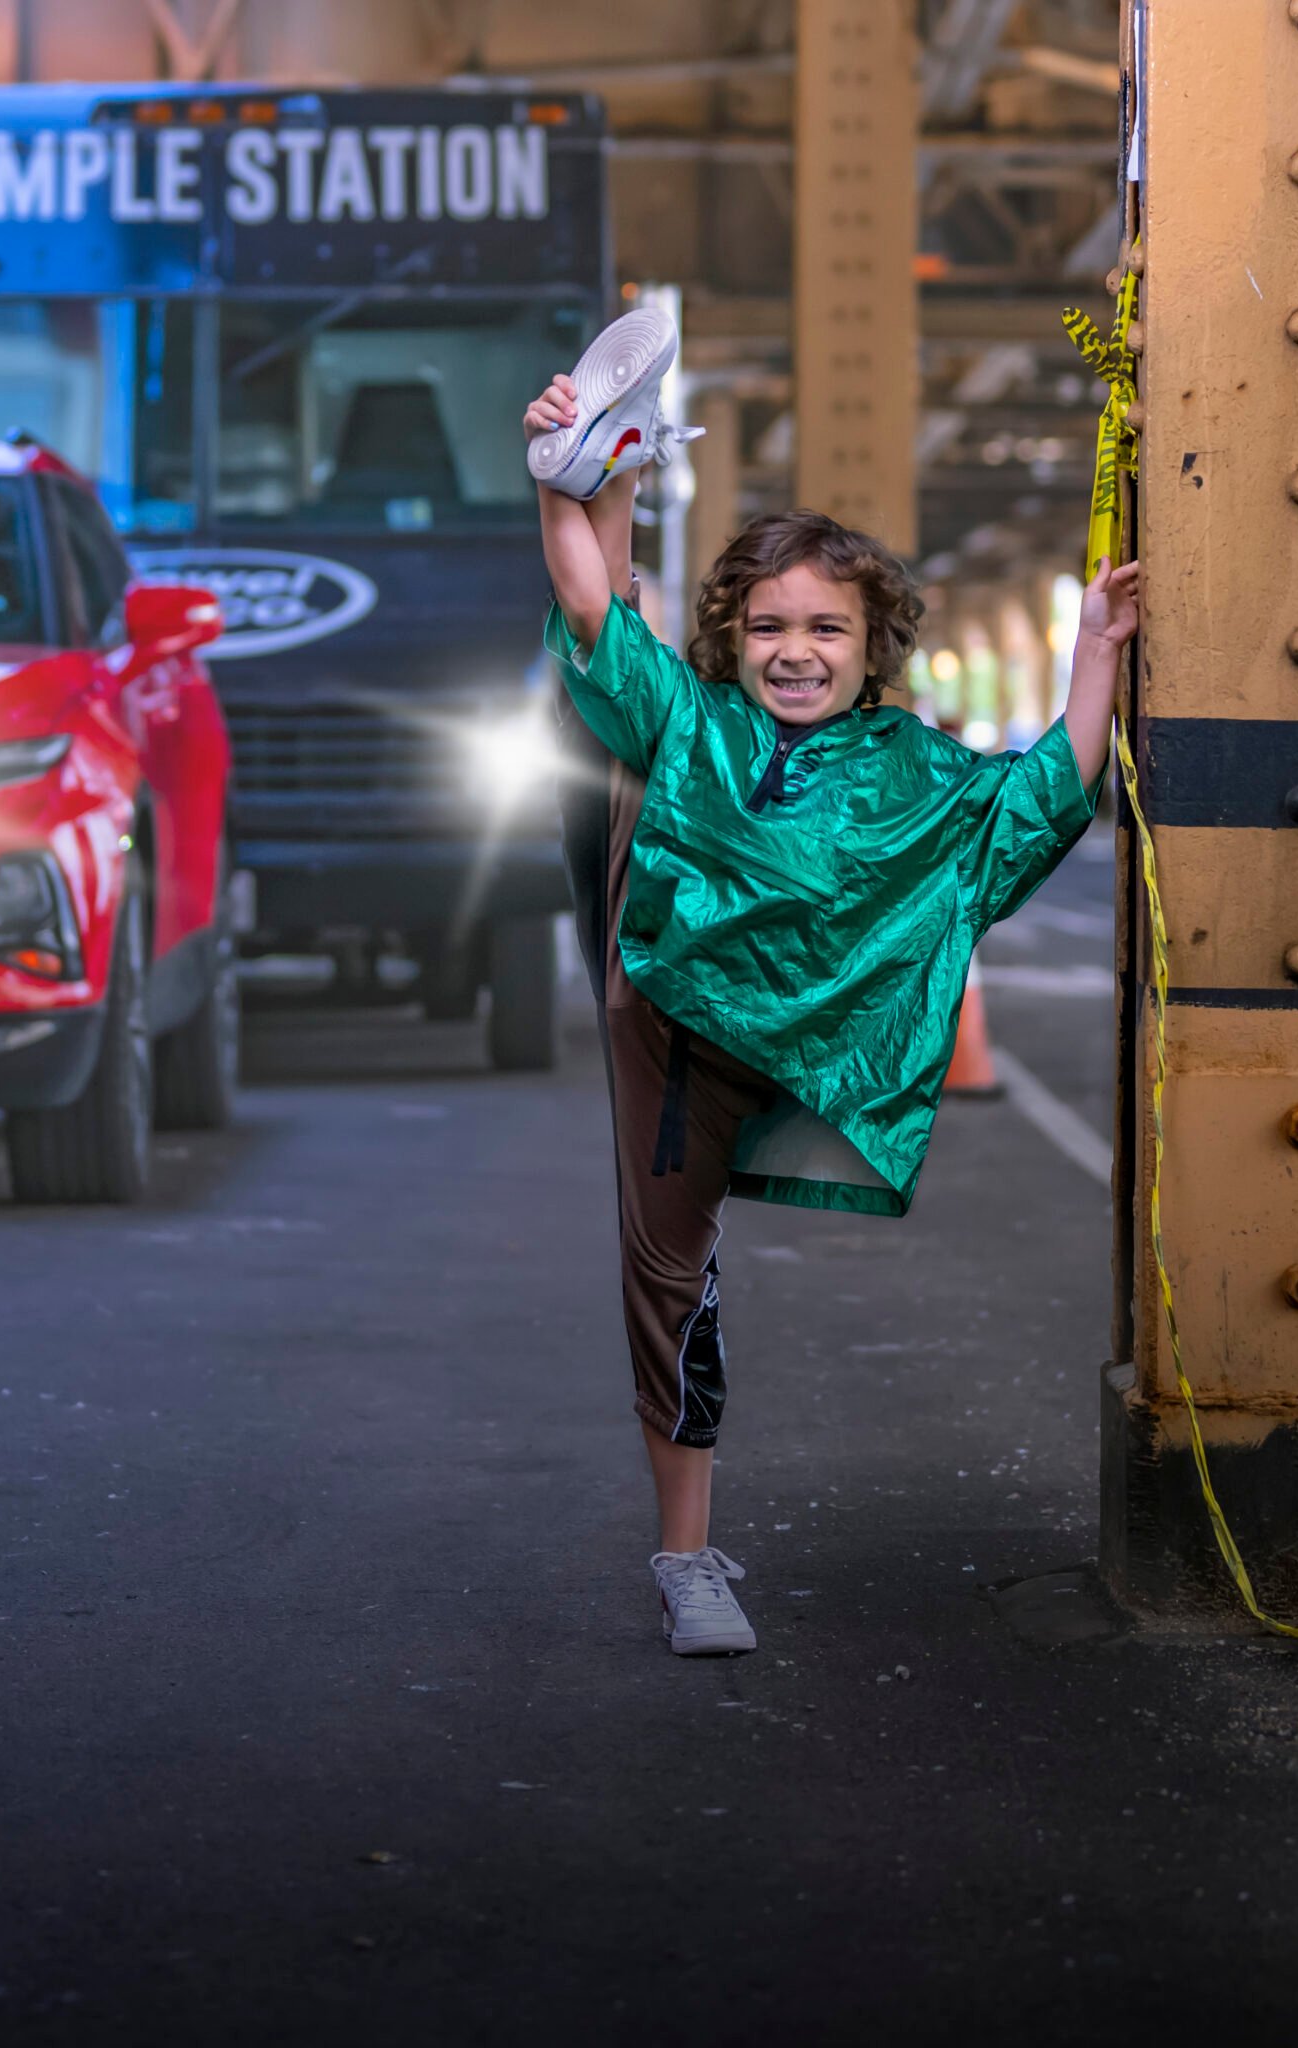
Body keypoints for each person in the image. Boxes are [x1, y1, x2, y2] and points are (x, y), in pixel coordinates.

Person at [525, 306, 1141, 1658]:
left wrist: (1094, 649)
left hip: (818, 1043)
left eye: (825, 628)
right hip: (675, 1036)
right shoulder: (695, 719)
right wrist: (570, 476)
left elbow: (1042, 798)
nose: (795, 648)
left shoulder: (917, 772)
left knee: (681, 1272)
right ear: (733, 639)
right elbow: (587, 600)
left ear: (876, 648)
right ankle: (685, 1559)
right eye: (768, 626)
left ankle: (613, 464)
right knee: (668, 1284)